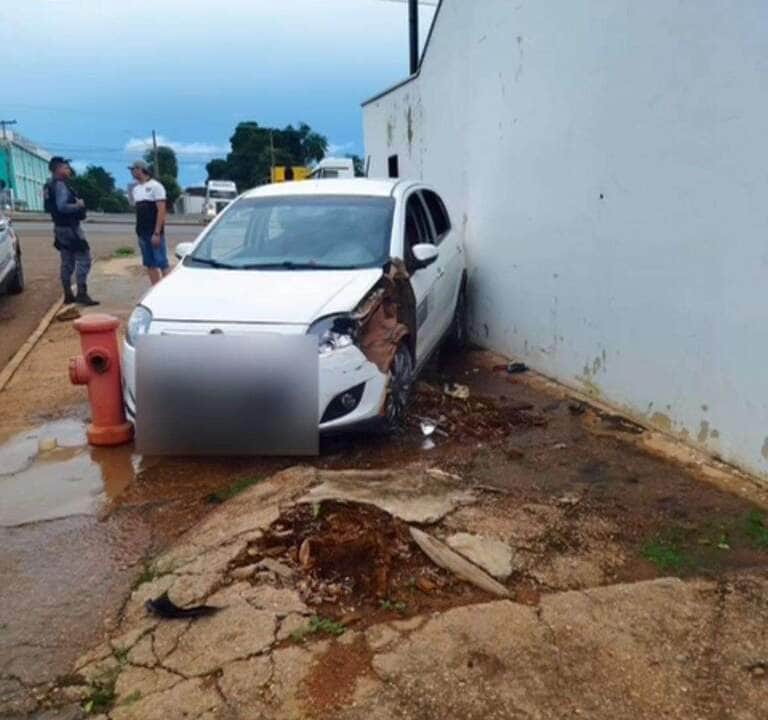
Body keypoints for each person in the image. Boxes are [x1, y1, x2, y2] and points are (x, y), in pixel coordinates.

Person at [44, 157, 99, 306]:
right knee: (84, 259)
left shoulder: (49, 186)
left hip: (59, 228)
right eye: (66, 168)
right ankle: (81, 293)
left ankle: (68, 294)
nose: (69, 170)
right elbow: (62, 207)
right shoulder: (60, 185)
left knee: (67, 261)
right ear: (58, 169)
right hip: (70, 228)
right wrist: (78, 205)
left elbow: (49, 208)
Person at [128, 160, 169, 284]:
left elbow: (161, 211)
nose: (131, 172)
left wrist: (157, 233)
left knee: (162, 262)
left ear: (140, 169)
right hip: (142, 232)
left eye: (133, 169)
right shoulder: (136, 189)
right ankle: (155, 289)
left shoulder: (156, 186)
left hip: (154, 232)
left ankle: (168, 289)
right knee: (149, 264)